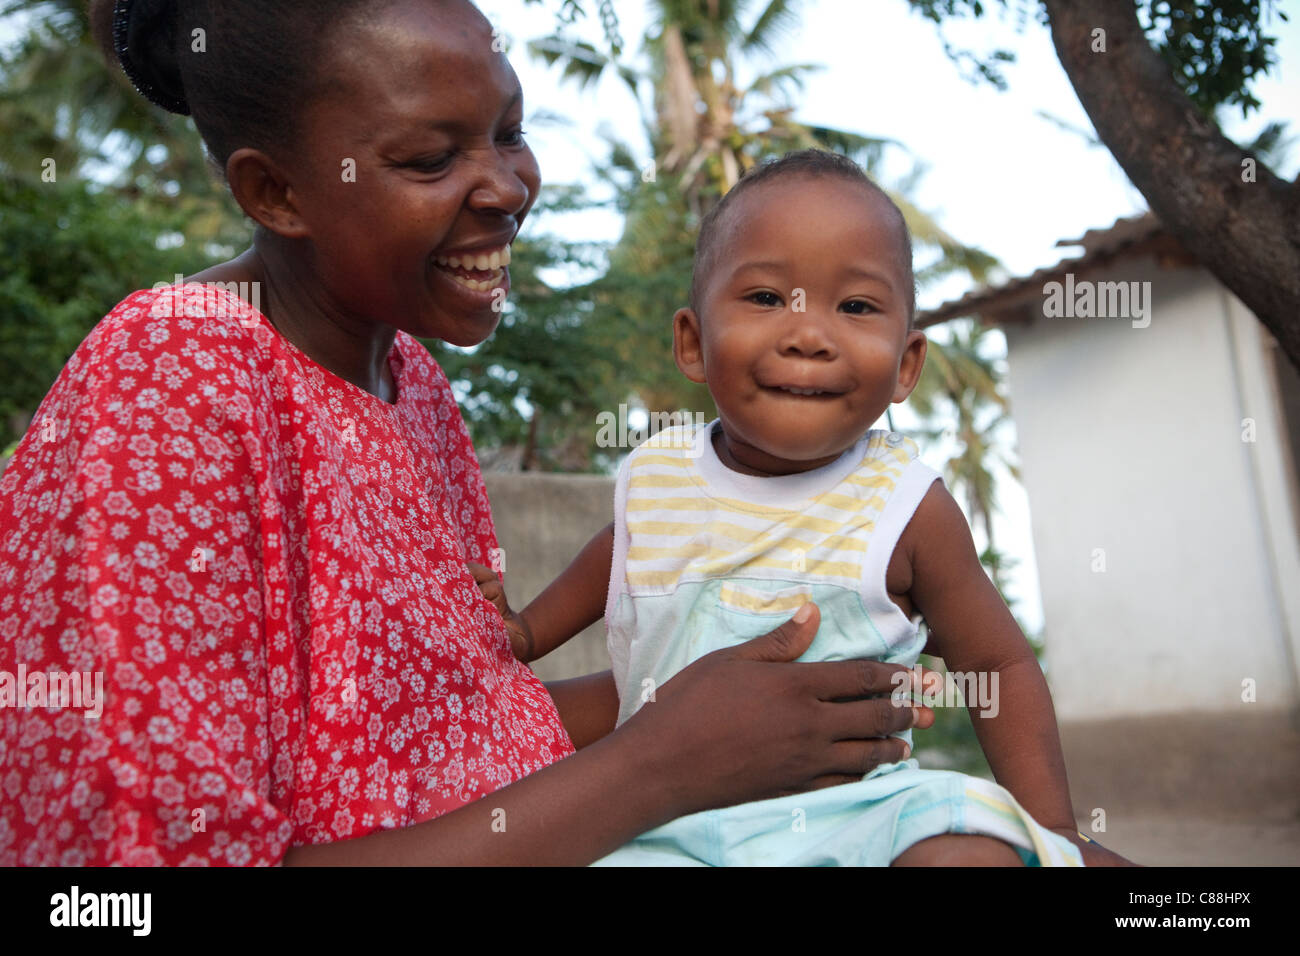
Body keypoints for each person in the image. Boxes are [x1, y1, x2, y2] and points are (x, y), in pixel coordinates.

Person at [0, 0, 948, 867]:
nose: (506, 188)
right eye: (429, 160)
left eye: (509, 134)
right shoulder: (172, 376)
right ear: (276, 193)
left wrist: (697, 691)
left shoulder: (411, 384)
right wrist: (658, 763)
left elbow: (461, 733)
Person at [472, 150, 1134, 865]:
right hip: (663, 826)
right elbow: (618, 552)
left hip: (865, 819)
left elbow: (998, 662)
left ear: (906, 364)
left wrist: (1054, 829)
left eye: (854, 307)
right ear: (693, 343)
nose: (808, 335)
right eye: (764, 299)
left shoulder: (905, 507)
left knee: (970, 856)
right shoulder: (659, 476)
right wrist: (529, 632)